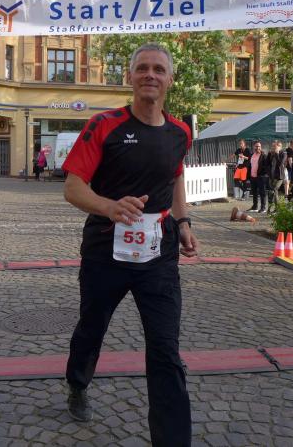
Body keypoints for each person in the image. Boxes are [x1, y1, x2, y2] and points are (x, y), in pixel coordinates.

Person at [61, 43, 197, 446]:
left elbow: (175, 178)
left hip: (158, 253)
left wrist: (183, 221)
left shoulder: (180, 132)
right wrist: (110, 206)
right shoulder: (104, 125)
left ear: (170, 79)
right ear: (130, 77)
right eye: (143, 68)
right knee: (92, 327)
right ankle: (77, 383)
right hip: (106, 250)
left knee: (165, 348)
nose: (150, 75)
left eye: (159, 69)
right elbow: (73, 188)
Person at [265, 140, 287, 213]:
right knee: (271, 192)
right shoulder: (271, 153)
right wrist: (268, 172)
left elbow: (280, 163)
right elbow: (266, 163)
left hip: (280, 177)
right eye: (272, 146)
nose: (273, 147)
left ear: (279, 146)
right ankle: (270, 208)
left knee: (275, 189)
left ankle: (277, 209)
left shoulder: (283, 153)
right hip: (272, 176)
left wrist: (277, 154)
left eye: (275, 146)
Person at [247, 141, 267, 213]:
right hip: (253, 176)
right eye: (256, 146)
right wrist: (249, 175)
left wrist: (262, 174)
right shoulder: (252, 155)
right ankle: (255, 206)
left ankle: (263, 207)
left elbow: (266, 166)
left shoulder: (263, 155)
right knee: (254, 192)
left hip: (260, 177)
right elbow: (250, 165)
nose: (258, 148)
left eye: (259, 146)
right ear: (254, 147)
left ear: (261, 147)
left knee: (262, 192)